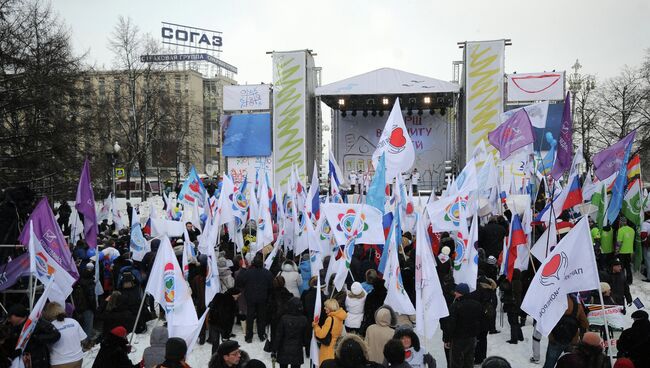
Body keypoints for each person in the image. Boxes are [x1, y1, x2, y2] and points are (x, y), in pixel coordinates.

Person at [5, 304, 60, 368]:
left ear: (17, 316)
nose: (8, 320)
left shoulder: (36, 323)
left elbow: (56, 335)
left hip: (38, 362)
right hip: (21, 363)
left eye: (10, 317)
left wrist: (35, 337)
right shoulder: (12, 327)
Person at [542, 295, 589, 368]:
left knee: (549, 364)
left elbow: (545, 320)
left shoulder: (553, 304)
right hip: (572, 339)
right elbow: (585, 324)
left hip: (554, 338)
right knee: (570, 364)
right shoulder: (577, 305)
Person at [235, 254, 273, 343]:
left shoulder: (248, 272)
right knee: (261, 317)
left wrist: (243, 270)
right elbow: (271, 286)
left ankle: (249, 336)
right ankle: (261, 334)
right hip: (262, 298)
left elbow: (239, 282)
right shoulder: (267, 273)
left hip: (250, 298)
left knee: (250, 316)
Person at [444, 283, 482, 368]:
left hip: (458, 339)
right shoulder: (477, 304)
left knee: (456, 362)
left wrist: (447, 339)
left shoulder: (455, 306)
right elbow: (479, 320)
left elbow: (451, 324)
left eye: (456, 292)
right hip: (471, 338)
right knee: (469, 360)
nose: (455, 294)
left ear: (460, 293)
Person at [43, 302, 86, 368]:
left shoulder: (50, 326)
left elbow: (46, 345)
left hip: (59, 362)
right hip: (77, 359)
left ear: (48, 312)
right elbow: (83, 339)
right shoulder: (73, 321)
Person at [272, 297, 308, 368]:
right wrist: (307, 348)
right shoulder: (304, 319)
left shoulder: (284, 318)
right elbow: (306, 336)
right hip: (297, 350)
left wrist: (274, 349)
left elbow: (278, 336)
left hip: (283, 350)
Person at [313, 299, 347, 364]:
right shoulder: (340, 318)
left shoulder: (330, 319)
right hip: (335, 346)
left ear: (330, 308)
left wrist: (315, 326)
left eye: (326, 306)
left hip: (327, 347)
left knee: (325, 364)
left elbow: (321, 334)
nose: (324, 308)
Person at [500, 270, 523, 344]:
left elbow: (502, 287)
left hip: (512, 305)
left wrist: (505, 278)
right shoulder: (519, 282)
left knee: (512, 322)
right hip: (517, 304)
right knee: (516, 321)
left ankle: (514, 339)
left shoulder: (512, 282)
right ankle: (520, 336)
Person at [616, 218, 635, 284]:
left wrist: (616, 252)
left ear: (621, 222)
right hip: (630, 251)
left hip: (622, 252)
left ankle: (622, 281)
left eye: (620, 221)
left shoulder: (621, 230)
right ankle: (629, 281)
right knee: (628, 267)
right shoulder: (632, 230)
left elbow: (619, 243)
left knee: (621, 267)